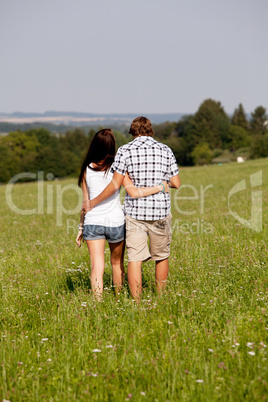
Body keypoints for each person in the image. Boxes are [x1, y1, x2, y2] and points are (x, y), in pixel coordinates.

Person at [83, 118, 180, 300]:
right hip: (160, 211)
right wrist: (162, 185)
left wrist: (93, 202)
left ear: (132, 132)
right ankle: (161, 298)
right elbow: (176, 182)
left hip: (135, 214)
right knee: (162, 256)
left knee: (134, 258)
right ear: (150, 130)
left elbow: (115, 184)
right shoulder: (166, 149)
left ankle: (137, 302)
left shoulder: (125, 150)